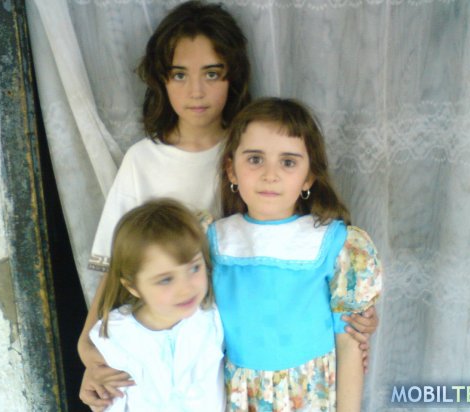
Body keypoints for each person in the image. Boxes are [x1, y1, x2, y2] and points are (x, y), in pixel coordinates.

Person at [79, 1, 378, 408]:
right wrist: (91, 355)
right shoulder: (143, 160)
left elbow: (305, 260)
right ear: (161, 80)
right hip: (193, 353)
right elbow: (119, 270)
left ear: (232, 76)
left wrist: (354, 319)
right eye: (179, 74)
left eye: (212, 73)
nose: (196, 91)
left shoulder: (257, 143)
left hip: (245, 352)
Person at [208, 97, 383, 411]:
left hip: (310, 396)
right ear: (231, 170)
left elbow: (349, 342)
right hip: (238, 396)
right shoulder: (213, 241)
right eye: (255, 159)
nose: (270, 174)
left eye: (288, 162)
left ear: (308, 177)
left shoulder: (333, 243)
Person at [89, 199, 224, 411]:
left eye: (194, 268)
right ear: (133, 286)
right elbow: (108, 402)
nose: (186, 288)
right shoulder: (116, 335)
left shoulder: (212, 317)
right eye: (166, 280)